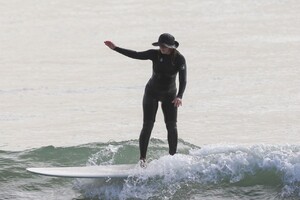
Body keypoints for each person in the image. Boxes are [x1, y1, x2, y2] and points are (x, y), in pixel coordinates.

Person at [104, 33, 187, 166]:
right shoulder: (155, 54)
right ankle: (142, 159)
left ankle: (172, 158)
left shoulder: (179, 59)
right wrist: (115, 48)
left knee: (171, 126)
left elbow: (183, 80)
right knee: (148, 125)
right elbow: (136, 54)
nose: (162, 48)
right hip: (152, 93)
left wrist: (180, 96)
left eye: (164, 46)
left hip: (170, 95)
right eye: (160, 45)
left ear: (171, 46)